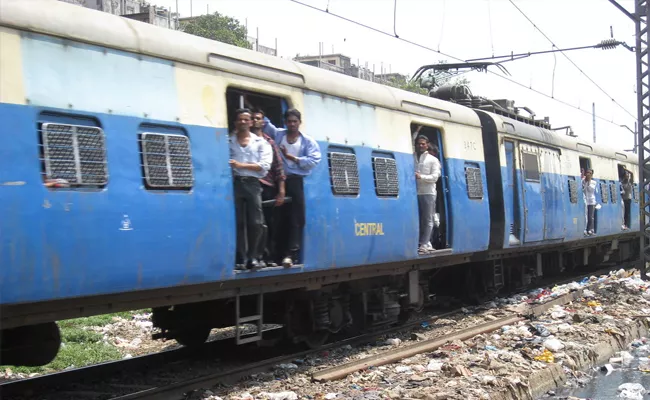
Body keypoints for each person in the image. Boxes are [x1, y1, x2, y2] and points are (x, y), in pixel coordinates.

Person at [264, 108, 321, 267]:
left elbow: (313, 160)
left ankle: (292, 254)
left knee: (296, 219)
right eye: (289, 121)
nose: (292, 124)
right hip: (279, 180)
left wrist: (293, 158)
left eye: (295, 121)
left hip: (295, 181)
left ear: (299, 123)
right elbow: (265, 124)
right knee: (277, 217)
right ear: (285, 123)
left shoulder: (307, 141)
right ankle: (277, 253)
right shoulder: (279, 135)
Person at [229, 108, 273, 269]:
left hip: (253, 184)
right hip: (236, 183)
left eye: (246, 119)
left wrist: (241, 165)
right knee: (239, 222)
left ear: (251, 122)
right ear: (235, 122)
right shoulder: (229, 141)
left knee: (256, 222)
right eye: (239, 119)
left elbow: (264, 167)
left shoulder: (261, 143)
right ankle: (242, 257)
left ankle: (254, 257)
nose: (243, 122)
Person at [251, 109, 286, 266]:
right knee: (254, 224)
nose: (255, 121)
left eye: (258, 118)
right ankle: (255, 256)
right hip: (251, 185)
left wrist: (281, 190)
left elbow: (278, 167)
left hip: (267, 187)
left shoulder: (269, 142)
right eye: (253, 118)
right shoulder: (242, 140)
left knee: (269, 224)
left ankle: (268, 257)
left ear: (263, 122)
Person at [415, 135, 441, 254]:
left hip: (428, 192)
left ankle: (424, 244)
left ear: (427, 144)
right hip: (415, 192)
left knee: (428, 219)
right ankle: (422, 242)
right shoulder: (412, 158)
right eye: (419, 143)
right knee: (418, 218)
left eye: (423, 144)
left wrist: (421, 177)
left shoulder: (433, 160)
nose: (421, 145)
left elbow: (435, 177)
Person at [582, 169, 597, 236]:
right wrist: (585, 181)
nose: (588, 174)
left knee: (590, 216)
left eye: (590, 173)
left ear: (592, 175)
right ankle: (585, 230)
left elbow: (591, 189)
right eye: (587, 172)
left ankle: (590, 229)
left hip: (591, 201)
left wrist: (588, 182)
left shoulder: (594, 182)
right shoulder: (582, 181)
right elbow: (583, 189)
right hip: (585, 200)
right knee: (585, 216)